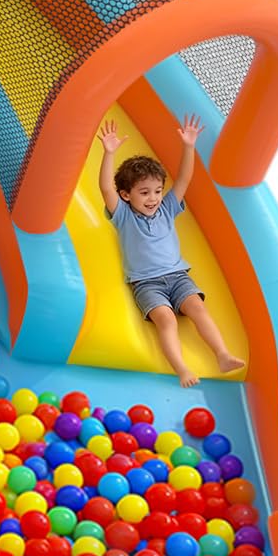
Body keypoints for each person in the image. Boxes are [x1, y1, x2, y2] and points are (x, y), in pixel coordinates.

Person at [98, 114, 244, 387]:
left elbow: (184, 180)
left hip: (178, 276)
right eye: (144, 193)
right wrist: (109, 153)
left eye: (157, 191)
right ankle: (182, 369)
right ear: (126, 195)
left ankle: (222, 354)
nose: (153, 198)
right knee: (166, 319)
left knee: (197, 308)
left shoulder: (166, 208)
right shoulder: (123, 216)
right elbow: (106, 188)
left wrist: (188, 146)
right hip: (146, 283)